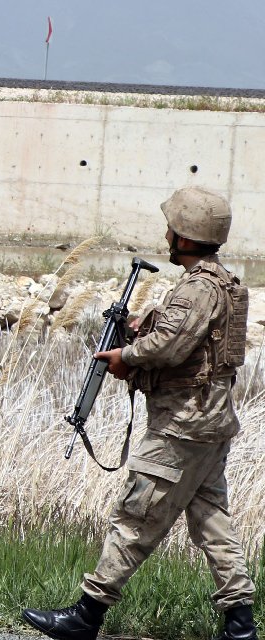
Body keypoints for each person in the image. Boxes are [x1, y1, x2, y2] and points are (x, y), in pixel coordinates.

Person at [22, 186, 254, 640]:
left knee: (134, 518)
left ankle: (86, 617)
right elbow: (188, 344)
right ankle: (240, 625)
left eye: (172, 229)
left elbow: (169, 347)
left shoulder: (197, 288)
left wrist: (126, 356)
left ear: (185, 239)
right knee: (213, 524)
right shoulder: (222, 283)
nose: (166, 235)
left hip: (181, 427)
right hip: (208, 423)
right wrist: (140, 331)